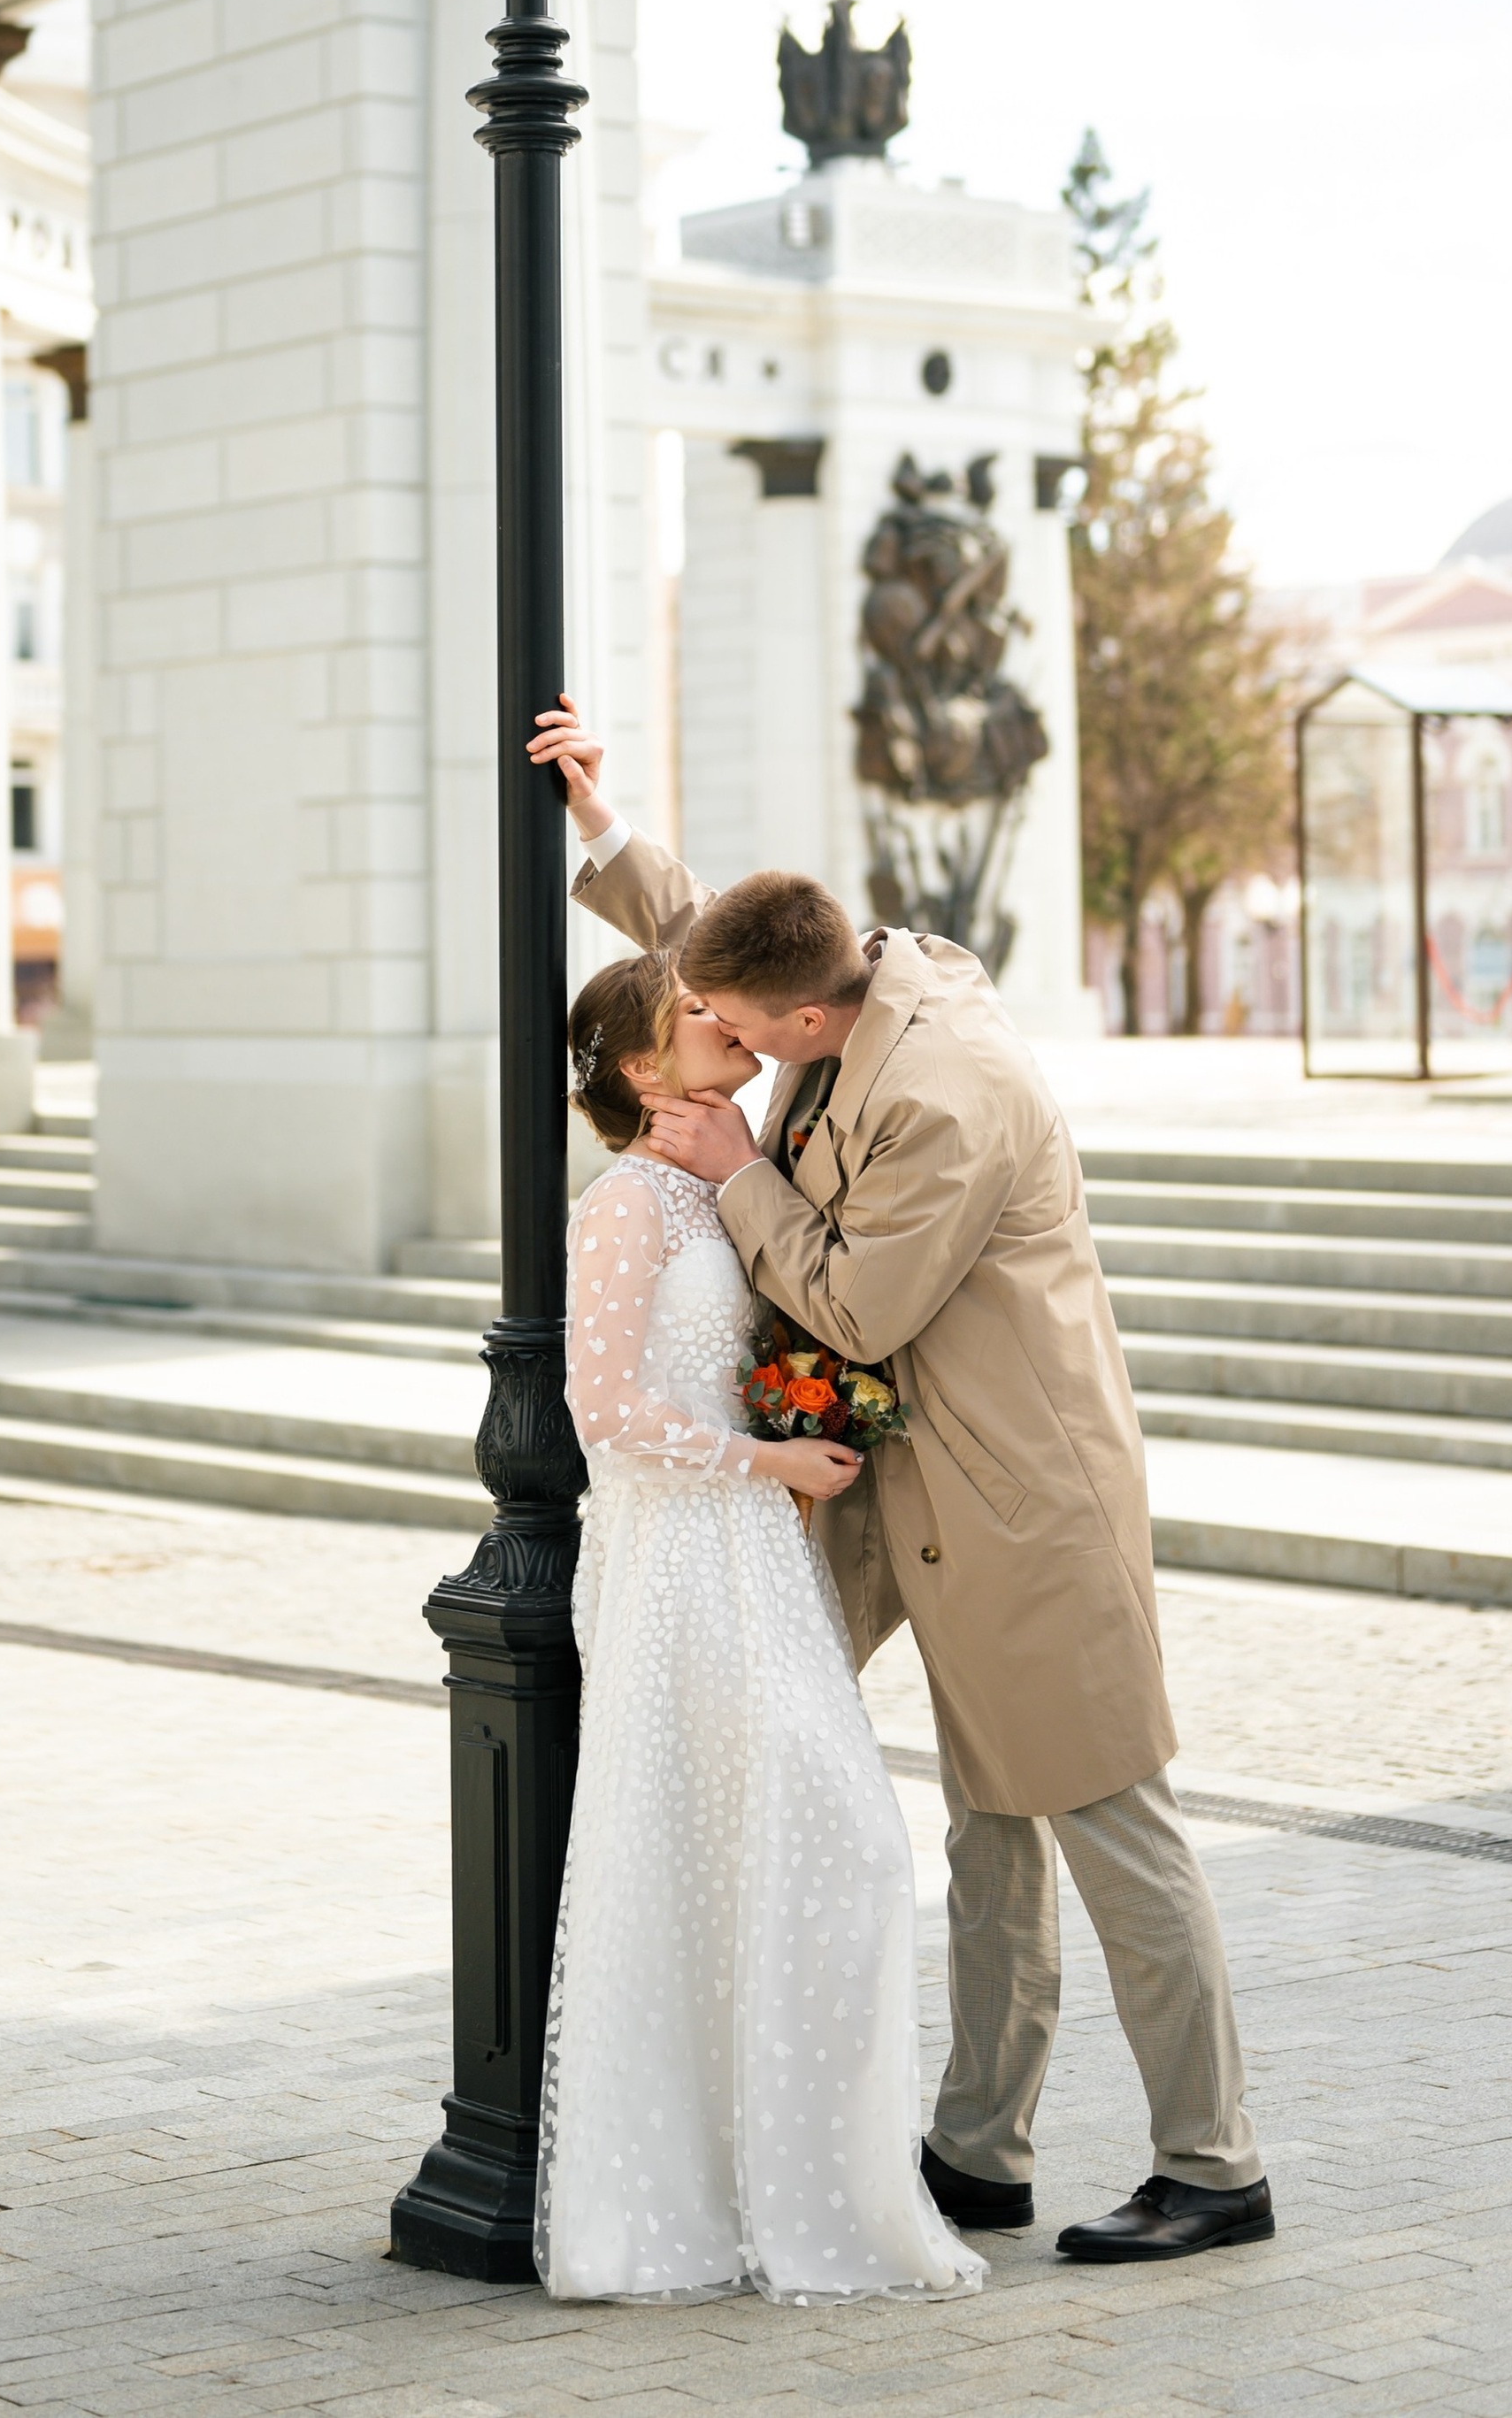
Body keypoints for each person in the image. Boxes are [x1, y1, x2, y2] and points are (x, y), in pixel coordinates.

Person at [529, 695, 1273, 2269]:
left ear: (797, 1025)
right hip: (903, 1493)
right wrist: (606, 824)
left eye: (739, 1034)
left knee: (1106, 1819)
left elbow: (862, 1306)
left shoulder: (947, 1094)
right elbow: (719, 952)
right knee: (981, 1837)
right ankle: (977, 2151)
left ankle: (1214, 2166)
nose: (722, 1050)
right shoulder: (840, 983)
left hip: (1022, 1502)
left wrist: (734, 1174)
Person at [537, 944, 983, 2310]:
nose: (723, 1020)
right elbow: (601, 1413)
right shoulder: (624, 1206)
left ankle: (793, 2176)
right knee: (750, 1857)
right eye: (692, 1013)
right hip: (682, 1560)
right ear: (635, 1065)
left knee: (814, 1855)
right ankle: (696, 2198)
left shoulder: (722, 1183)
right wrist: (771, 1465)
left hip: (750, 1555)